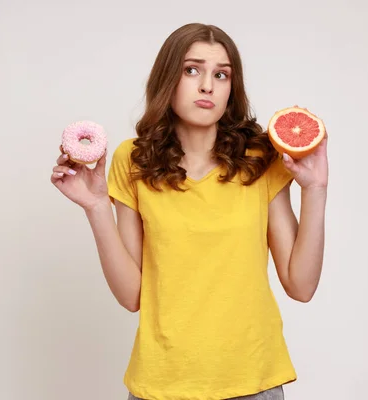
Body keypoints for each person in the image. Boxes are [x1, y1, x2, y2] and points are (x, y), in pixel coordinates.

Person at [51, 22, 328, 400]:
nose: (207, 86)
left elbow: (301, 285)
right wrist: (97, 206)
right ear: (169, 78)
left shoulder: (261, 158)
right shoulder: (132, 161)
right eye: (192, 70)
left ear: (232, 88)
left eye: (221, 74)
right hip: (161, 384)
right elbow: (132, 295)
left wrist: (315, 189)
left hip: (252, 380)